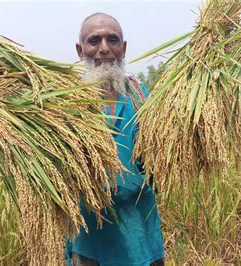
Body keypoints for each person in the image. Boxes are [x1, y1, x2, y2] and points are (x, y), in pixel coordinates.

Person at [65, 13, 164, 266]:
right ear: (80, 50)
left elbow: (162, 159)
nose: (104, 49)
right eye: (94, 41)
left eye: (113, 39)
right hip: (91, 242)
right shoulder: (65, 104)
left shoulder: (142, 97)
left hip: (141, 235)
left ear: (124, 48)